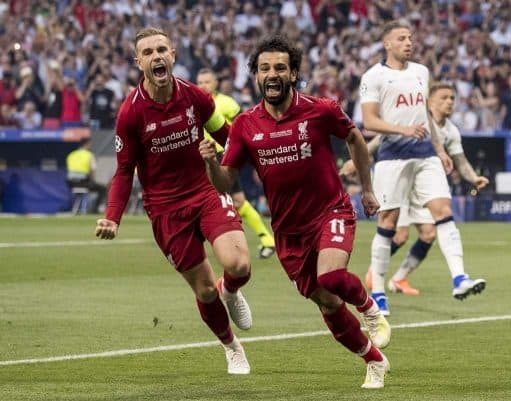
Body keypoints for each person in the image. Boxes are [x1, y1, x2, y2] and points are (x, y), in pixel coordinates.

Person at [199, 35, 391, 389]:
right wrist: (211, 163)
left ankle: (370, 310)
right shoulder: (244, 125)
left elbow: (355, 139)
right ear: (256, 75)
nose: (272, 74)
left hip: (330, 211)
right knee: (328, 303)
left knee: (331, 277)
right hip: (289, 232)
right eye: (264, 68)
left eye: (280, 68)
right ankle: (373, 361)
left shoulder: (321, 109)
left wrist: (366, 189)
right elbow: (225, 183)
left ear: (293, 74)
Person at [94, 27, 253, 375]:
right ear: (139, 62)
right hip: (166, 209)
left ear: (173, 54)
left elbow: (229, 135)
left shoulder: (195, 97)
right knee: (205, 290)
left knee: (239, 265)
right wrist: (112, 217)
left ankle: (233, 290)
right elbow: (123, 172)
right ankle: (231, 347)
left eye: (161, 49)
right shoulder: (131, 113)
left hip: (205, 191)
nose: (156, 57)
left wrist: (258, 157)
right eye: (148, 53)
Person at [359, 21, 486, 315]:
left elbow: (425, 117)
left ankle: (459, 278)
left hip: (425, 155)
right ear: (387, 44)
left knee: (443, 211)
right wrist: (403, 131)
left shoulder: (421, 72)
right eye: (401, 38)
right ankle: (378, 294)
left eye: (410, 38)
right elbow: (370, 121)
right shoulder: (373, 76)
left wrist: (439, 149)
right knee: (388, 223)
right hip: (392, 158)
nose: (408, 42)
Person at [344, 82, 489, 296]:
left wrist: (474, 178)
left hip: (423, 186)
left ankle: (400, 278)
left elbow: (460, 160)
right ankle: (375, 273)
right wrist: (355, 162)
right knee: (400, 234)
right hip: (399, 180)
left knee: (428, 234)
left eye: (452, 98)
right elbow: (378, 141)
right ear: (430, 101)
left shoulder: (451, 131)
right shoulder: (412, 118)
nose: (449, 102)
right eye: (444, 97)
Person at [196, 68, 276, 259]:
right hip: (201, 158)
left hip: (223, 156)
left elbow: (243, 126)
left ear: (216, 83)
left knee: (231, 201)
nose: (203, 86)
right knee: (237, 201)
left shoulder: (227, 103)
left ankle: (263, 240)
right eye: (200, 82)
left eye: (207, 82)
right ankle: (266, 239)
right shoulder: (195, 103)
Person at [66, 137, 107, 213]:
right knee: (103, 188)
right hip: (83, 182)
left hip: (70, 183)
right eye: (90, 144)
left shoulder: (71, 155)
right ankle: (96, 209)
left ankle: (77, 208)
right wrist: (93, 181)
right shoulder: (89, 155)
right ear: (86, 144)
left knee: (80, 192)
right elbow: (93, 170)